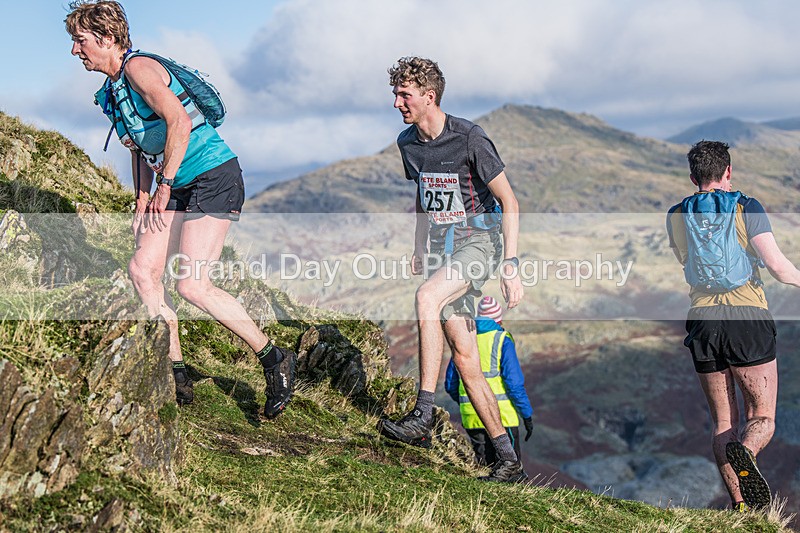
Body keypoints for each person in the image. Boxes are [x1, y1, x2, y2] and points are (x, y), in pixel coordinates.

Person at [65, 1, 295, 417]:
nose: (76, 51)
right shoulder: (113, 90)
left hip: (212, 176)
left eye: (81, 41)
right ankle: (175, 373)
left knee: (193, 286)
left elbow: (180, 122)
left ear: (107, 38)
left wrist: (164, 185)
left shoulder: (140, 70)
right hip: (173, 183)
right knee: (142, 270)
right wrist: (141, 196)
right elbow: (137, 148)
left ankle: (274, 357)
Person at [377, 56, 526, 483]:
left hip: (481, 243)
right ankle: (508, 460)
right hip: (443, 250)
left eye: (404, 95)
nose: (397, 102)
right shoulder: (408, 143)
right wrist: (418, 247)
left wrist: (510, 267)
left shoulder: (470, 138)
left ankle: (423, 412)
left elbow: (510, 202)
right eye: (395, 94)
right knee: (465, 359)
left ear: (429, 95)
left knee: (426, 296)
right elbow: (424, 199)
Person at [666, 140, 800, 510]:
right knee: (762, 416)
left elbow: (684, 259)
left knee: (723, 421)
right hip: (747, 319)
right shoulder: (746, 206)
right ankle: (747, 451)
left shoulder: (677, 214)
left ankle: (742, 506)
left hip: (703, 323)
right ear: (728, 172)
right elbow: (777, 266)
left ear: (693, 177)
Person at [444, 296, 533, 466]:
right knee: (510, 468)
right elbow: (514, 384)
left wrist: (468, 402)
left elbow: (450, 384)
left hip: (472, 416)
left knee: (485, 467)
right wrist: (526, 415)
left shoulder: (464, 338)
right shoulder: (501, 339)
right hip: (503, 417)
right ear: (498, 320)